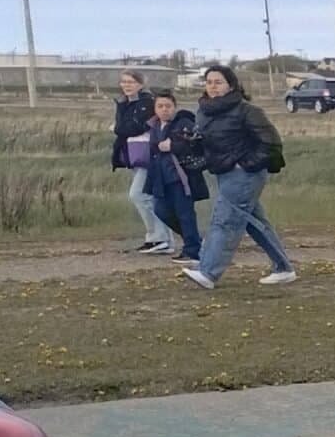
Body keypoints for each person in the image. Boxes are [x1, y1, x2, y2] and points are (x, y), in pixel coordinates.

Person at [183, 66, 297, 290]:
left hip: (245, 174)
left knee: (224, 219)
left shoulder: (247, 111)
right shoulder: (204, 112)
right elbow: (213, 144)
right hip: (223, 173)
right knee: (253, 222)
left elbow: (271, 142)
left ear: (231, 85)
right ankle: (284, 268)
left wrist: (246, 163)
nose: (213, 86)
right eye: (209, 82)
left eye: (218, 82)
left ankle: (208, 272)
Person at [142, 92, 207, 266]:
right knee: (160, 210)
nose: (164, 110)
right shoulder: (154, 126)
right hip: (161, 177)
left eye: (168, 106)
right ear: (155, 109)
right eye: (160, 106)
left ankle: (192, 251)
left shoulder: (184, 123)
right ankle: (195, 241)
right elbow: (154, 152)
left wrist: (174, 146)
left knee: (185, 214)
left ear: (174, 107)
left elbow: (198, 144)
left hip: (181, 177)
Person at [113, 71, 171, 255]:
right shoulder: (125, 104)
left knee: (139, 195)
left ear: (140, 84)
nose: (126, 85)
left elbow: (133, 127)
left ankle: (159, 238)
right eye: (124, 82)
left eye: (131, 82)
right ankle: (161, 238)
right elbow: (125, 128)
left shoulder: (147, 103)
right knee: (150, 196)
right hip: (136, 154)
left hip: (149, 154)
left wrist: (118, 128)